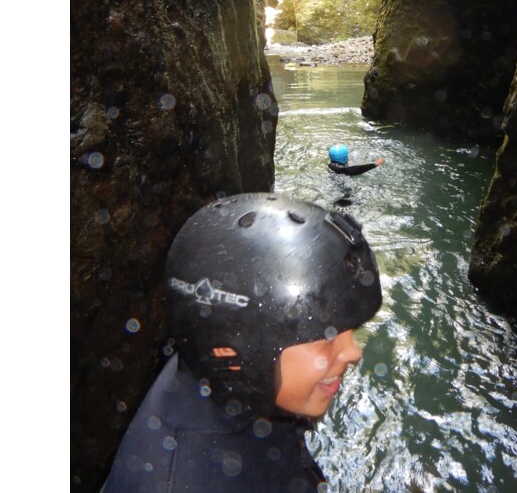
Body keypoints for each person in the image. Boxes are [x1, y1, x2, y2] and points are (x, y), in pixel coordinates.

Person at [102, 193, 382, 492]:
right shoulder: (182, 481)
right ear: (229, 351)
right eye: (325, 337)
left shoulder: (230, 381)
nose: (353, 352)